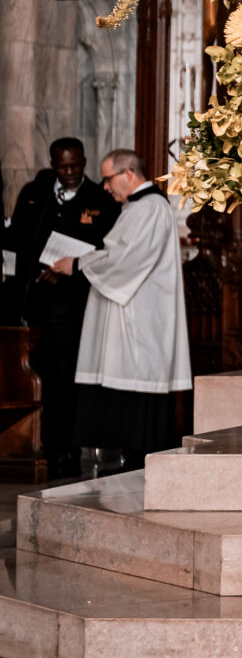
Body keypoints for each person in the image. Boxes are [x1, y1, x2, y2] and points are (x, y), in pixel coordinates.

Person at [52, 150, 191, 467]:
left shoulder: (151, 207)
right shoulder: (138, 208)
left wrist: (77, 264)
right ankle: (129, 458)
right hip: (132, 316)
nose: (104, 187)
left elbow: (125, 260)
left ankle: (138, 459)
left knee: (136, 388)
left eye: (108, 179)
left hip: (141, 321)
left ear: (128, 173)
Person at [7, 139, 118, 477]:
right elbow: (18, 239)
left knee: (64, 382)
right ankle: (32, 445)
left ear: (84, 161)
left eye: (75, 166)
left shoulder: (100, 199)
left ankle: (65, 451)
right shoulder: (35, 192)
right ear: (52, 163)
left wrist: (72, 269)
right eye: (62, 166)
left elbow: (108, 252)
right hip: (32, 302)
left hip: (72, 306)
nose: (69, 172)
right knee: (33, 376)